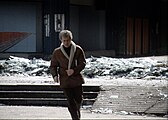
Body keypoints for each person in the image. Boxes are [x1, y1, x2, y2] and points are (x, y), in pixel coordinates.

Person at [50, 30, 86, 120]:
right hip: (65, 80)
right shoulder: (57, 52)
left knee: (78, 100)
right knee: (70, 101)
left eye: (68, 40)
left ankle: (76, 113)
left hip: (76, 79)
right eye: (64, 40)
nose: (66, 42)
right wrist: (55, 75)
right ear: (61, 40)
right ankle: (75, 118)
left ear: (71, 39)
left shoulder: (77, 49)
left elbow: (83, 63)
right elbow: (53, 65)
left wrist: (74, 70)